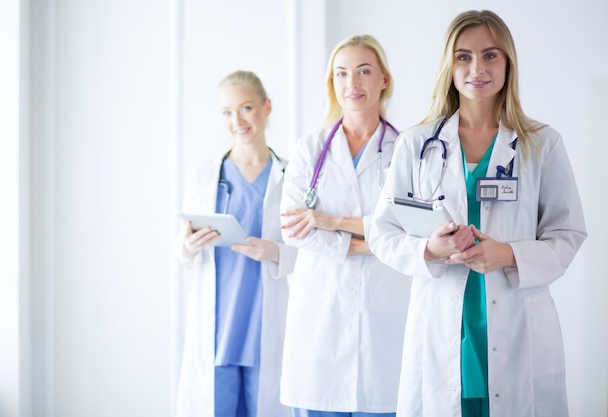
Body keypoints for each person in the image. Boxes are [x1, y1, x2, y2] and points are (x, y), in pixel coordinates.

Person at [369, 10, 587, 417]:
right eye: (464, 57)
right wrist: (429, 250)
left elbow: (568, 233)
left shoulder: (541, 144)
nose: (477, 69)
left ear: (508, 63)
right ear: (449, 66)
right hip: (443, 324)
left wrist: (508, 255)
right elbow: (383, 232)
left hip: (515, 321)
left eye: (490, 56)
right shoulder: (418, 143)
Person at [279, 34, 410, 416]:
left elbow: (410, 232)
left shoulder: (407, 150)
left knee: (381, 402)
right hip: (322, 313)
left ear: (383, 79)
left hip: (384, 314)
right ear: (332, 83)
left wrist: (328, 222)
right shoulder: (310, 148)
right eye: (341, 74)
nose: (351, 84)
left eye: (363, 71)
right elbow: (292, 229)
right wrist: (368, 242)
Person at [175, 70, 296, 417]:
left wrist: (274, 251)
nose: (237, 121)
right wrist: (188, 246)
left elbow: (309, 251)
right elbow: (182, 251)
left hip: (264, 320)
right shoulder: (204, 175)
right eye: (227, 112)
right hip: (218, 325)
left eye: (245, 108)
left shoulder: (290, 177)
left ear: (266, 107)